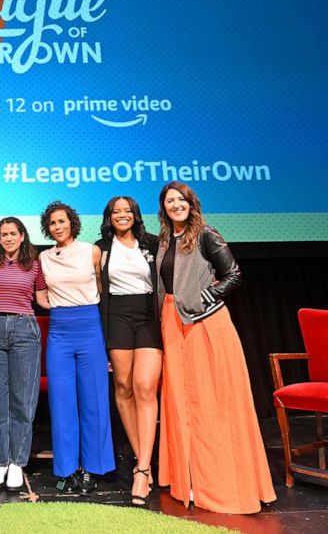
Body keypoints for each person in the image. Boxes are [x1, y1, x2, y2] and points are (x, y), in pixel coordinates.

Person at [155, 182, 276, 514]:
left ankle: (221, 481)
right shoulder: (165, 240)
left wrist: (203, 297)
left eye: (181, 200)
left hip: (206, 324)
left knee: (212, 399)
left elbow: (233, 274)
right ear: (163, 207)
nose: (176, 205)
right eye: (169, 201)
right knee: (181, 401)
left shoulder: (206, 234)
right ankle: (188, 480)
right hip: (172, 322)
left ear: (192, 204)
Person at [38, 201, 115, 493]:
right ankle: (67, 469)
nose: (58, 227)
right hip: (59, 330)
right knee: (62, 403)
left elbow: (102, 288)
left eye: (62, 221)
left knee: (94, 401)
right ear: (48, 228)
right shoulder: (43, 258)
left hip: (90, 327)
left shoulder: (91, 251)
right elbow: (41, 296)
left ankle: (92, 469)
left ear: (73, 223)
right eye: (52, 223)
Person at [96, 196, 163, 506]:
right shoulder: (100, 247)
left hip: (148, 315)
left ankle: (142, 468)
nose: (122, 215)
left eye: (127, 211)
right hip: (117, 316)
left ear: (135, 215)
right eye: (116, 211)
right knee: (123, 387)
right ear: (109, 217)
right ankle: (142, 461)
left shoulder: (153, 242)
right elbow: (97, 287)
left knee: (145, 387)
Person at [0, 217, 50, 491]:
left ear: (22, 236)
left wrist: (72, 301)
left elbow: (42, 298)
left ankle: (17, 463)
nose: (8, 238)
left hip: (25, 328)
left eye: (12, 233)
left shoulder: (34, 263)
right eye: (3, 234)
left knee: (23, 399)